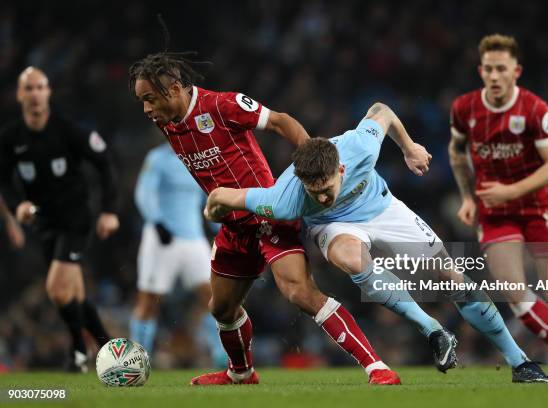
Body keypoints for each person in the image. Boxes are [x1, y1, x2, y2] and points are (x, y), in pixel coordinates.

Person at [204, 102, 548, 383]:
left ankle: (520, 362)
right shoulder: (284, 199)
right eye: (314, 192)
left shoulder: (361, 148)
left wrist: (410, 148)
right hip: (335, 228)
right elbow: (226, 196)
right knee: (351, 257)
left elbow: (382, 110)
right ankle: (432, 329)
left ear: (340, 171)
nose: (322, 197)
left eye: (326, 189)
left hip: (384, 209)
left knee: (451, 277)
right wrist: (211, 209)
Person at [129, 52, 400, 386]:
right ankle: (241, 373)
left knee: (299, 292)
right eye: (142, 101)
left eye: (149, 99)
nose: (146, 109)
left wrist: (315, 166)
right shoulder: (166, 122)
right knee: (221, 309)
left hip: (267, 215)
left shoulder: (222, 106)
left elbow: (281, 121)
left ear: (173, 89)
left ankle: (376, 367)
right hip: (232, 226)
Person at [448, 34, 548, 377]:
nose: (494, 76)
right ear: (480, 71)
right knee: (512, 288)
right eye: (488, 69)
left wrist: (509, 191)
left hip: (537, 206)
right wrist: (468, 197)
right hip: (495, 212)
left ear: (516, 71)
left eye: (502, 69)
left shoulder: (535, 110)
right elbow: (457, 152)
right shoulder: (464, 108)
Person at [0, 67, 119, 372]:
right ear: (20, 94)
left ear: (49, 92)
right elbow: (3, 180)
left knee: (55, 289)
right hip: (45, 223)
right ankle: (106, 350)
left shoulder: (67, 131)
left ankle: (82, 350)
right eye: (29, 88)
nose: (36, 94)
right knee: (74, 294)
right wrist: (18, 207)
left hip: (75, 219)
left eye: (41, 87)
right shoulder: (11, 138)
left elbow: (104, 163)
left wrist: (108, 210)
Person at [131, 142, 226, 367]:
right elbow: (143, 192)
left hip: (193, 238)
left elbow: (209, 197)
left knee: (215, 297)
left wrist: (220, 228)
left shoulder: (197, 157)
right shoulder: (158, 158)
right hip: (162, 238)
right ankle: (136, 358)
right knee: (149, 301)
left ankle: (220, 354)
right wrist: (157, 222)